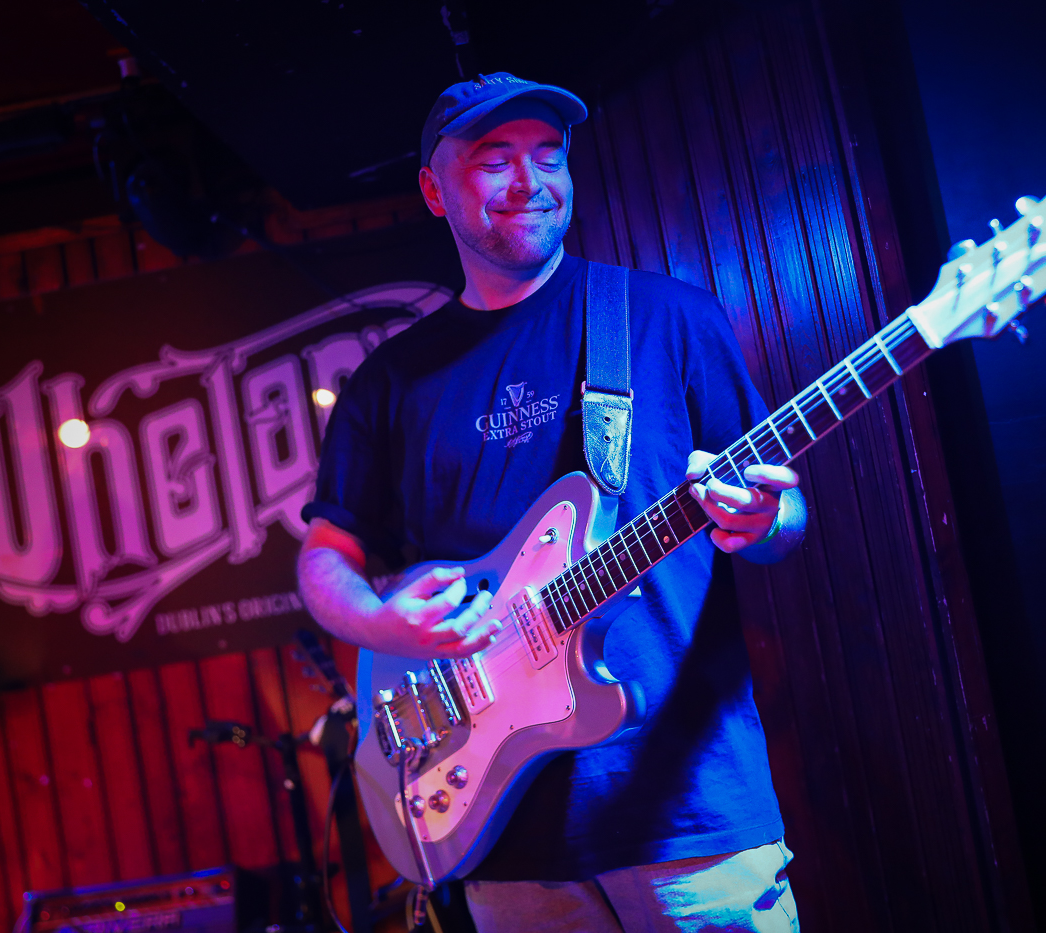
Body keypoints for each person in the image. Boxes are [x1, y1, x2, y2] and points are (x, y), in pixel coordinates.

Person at [297, 72, 807, 933]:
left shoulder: (666, 318)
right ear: (434, 190)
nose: (530, 181)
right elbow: (325, 562)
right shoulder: (390, 383)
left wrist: (764, 518)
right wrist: (383, 623)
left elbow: (780, 516)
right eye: (494, 159)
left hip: (686, 809)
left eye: (548, 155)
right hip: (501, 835)